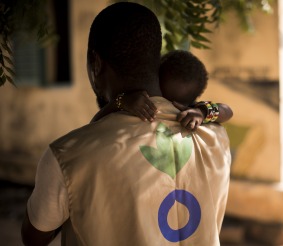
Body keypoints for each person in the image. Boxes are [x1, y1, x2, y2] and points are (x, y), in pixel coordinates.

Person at [21, 2, 231, 246]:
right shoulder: (216, 137)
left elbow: (33, 237)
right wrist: (207, 111)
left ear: (96, 63)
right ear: (156, 60)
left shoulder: (68, 154)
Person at [91, 50, 233, 130]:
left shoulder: (192, 112)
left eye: (171, 102)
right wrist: (121, 101)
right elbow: (94, 126)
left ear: (188, 102)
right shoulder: (137, 103)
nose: (161, 104)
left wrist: (202, 112)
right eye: (159, 94)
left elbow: (227, 111)